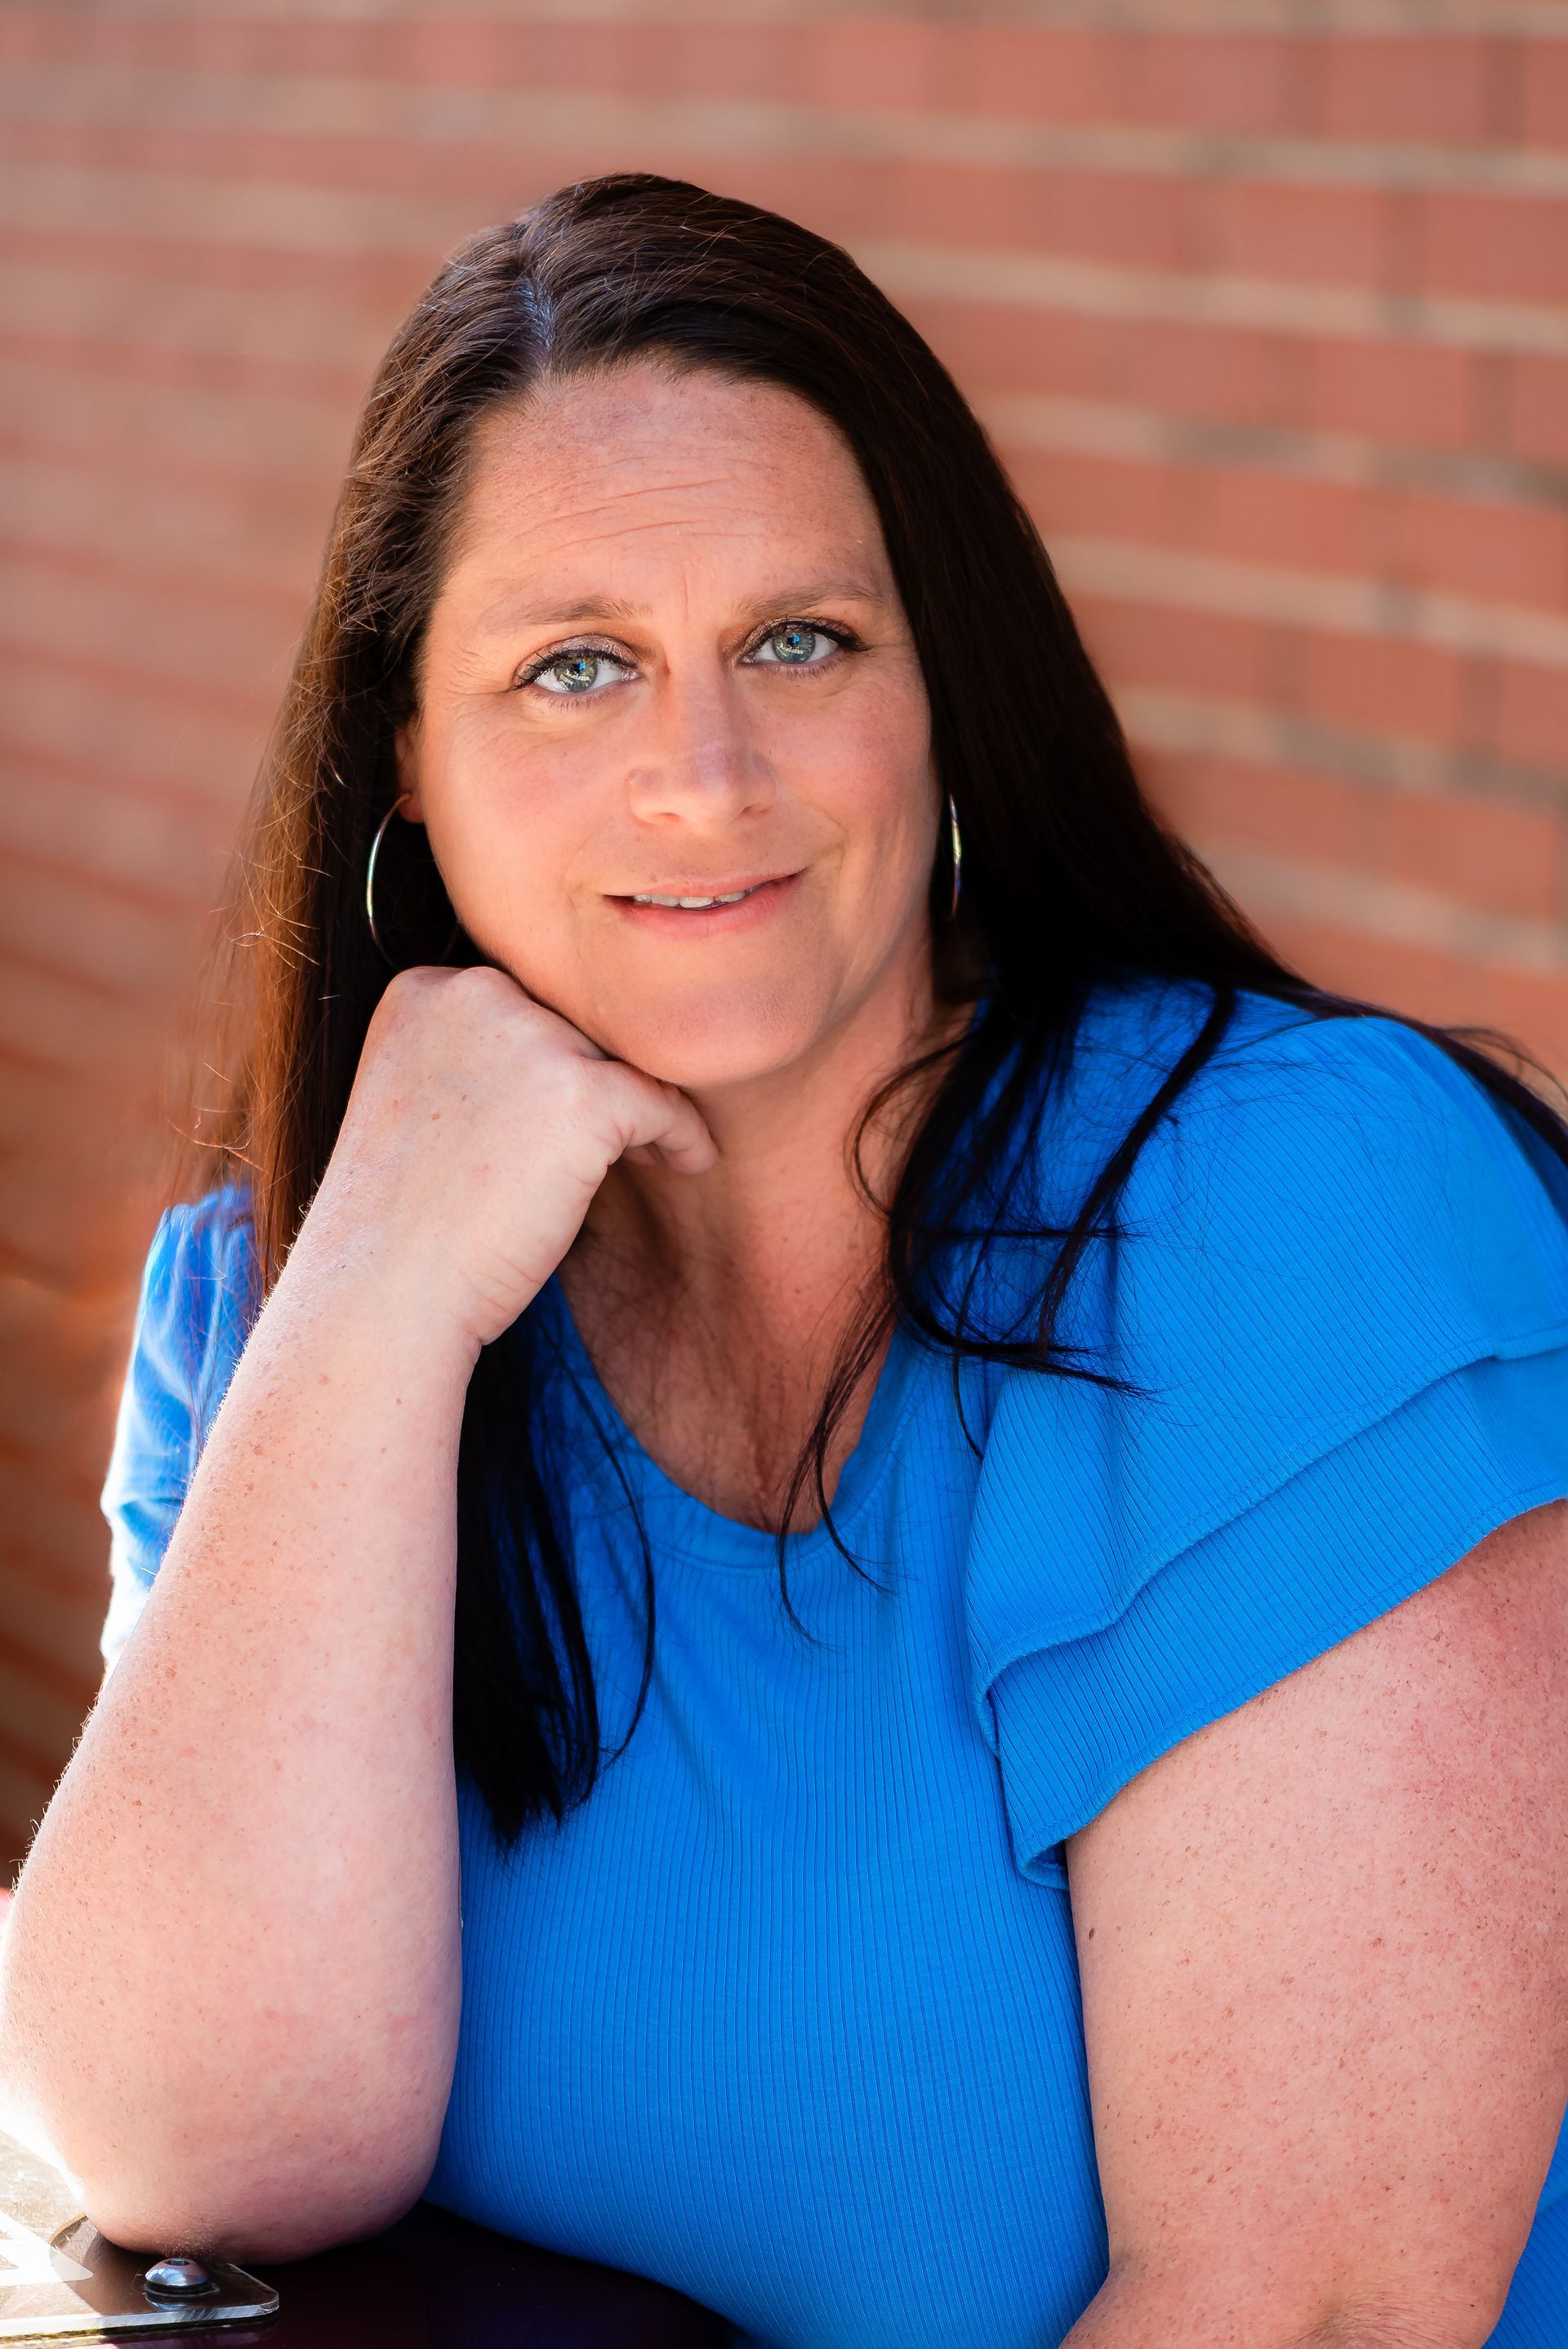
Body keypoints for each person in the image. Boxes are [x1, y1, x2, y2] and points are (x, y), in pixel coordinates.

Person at [4, 174, 1568, 2349]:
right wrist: (372, 1294)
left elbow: (1317, 2307)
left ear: (942, 701)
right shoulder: (293, 1304)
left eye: (798, 642)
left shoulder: (1280, 1215)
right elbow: (196, 2141)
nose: (704, 774)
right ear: (413, 780)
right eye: (574, 669)